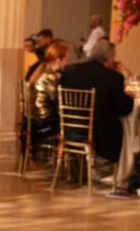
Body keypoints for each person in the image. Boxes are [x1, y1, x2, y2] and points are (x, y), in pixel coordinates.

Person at [60, 38, 134, 167]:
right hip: (100, 133)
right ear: (110, 58)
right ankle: (120, 169)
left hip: (69, 127)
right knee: (123, 126)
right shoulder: (113, 77)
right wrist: (130, 96)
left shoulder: (70, 71)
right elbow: (124, 108)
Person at [28, 38, 69, 161]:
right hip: (44, 122)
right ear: (58, 60)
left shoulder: (43, 71)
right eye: (67, 59)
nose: (67, 63)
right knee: (74, 125)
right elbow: (59, 103)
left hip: (36, 119)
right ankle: (69, 165)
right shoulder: (50, 77)